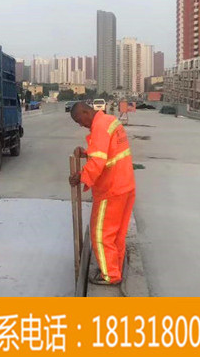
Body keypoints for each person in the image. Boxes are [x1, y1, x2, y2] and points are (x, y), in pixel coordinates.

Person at [68, 102, 136, 285]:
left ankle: (110, 275)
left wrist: (81, 176)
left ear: (85, 111)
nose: (80, 124)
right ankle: (115, 267)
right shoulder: (109, 120)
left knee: (101, 234)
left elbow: (98, 162)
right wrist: (86, 153)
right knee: (116, 235)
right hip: (125, 185)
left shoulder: (99, 127)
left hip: (111, 189)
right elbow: (107, 151)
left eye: (79, 120)